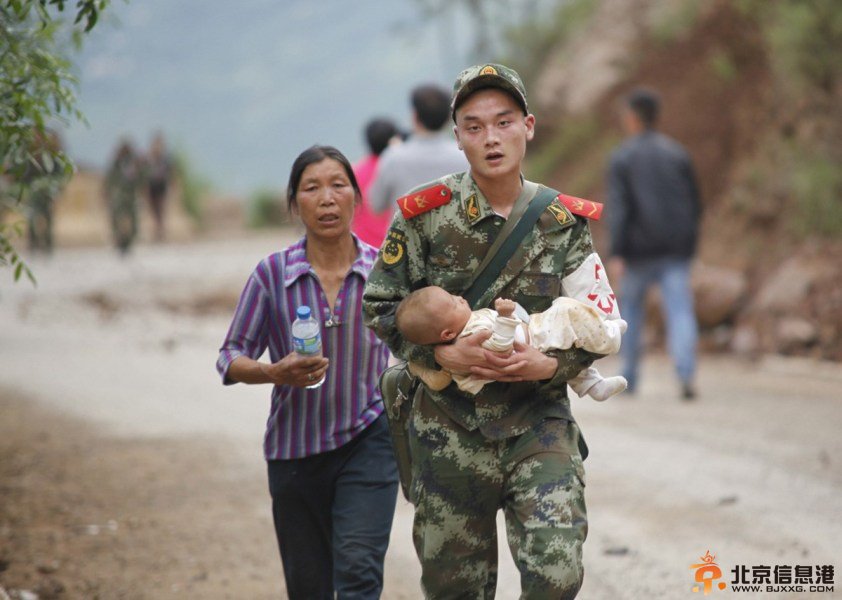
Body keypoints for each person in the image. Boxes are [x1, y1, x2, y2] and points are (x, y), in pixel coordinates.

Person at [363, 63, 616, 598]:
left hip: (537, 423)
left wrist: (551, 365)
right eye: (474, 126)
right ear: (457, 137)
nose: (490, 138)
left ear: (528, 126)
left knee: (557, 577)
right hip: (447, 432)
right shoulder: (423, 216)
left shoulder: (563, 222)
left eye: (503, 122)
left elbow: (596, 321)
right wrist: (441, 357)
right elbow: (381, 306)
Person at [216, 145, 398, 599]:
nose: (327, 198)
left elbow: (420, 346)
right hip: (294, 452)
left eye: (339, 185)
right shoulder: (272, 275)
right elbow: (230, 355)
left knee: (358, 571)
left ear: (357, 197)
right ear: (295, 205)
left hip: (369, 441)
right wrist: (273, 372)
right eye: (312, 188)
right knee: (309, 587)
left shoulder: (384, 274)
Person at [606, 87, 702, 400]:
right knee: (680, 311)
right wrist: (689, 244)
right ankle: (686, 374)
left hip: (637, 253)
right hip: (675, 250)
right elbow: (695, 204)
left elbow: (620, 208)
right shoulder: (677, 153)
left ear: (632, 118)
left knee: (631, 312)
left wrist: (617, 250)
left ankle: (630, 377)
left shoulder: (622, 157)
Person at [396, 285, 627, 401]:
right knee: (567, 310)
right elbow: (500, 347)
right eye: (453, 303)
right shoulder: (473, 332)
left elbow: (437, 381)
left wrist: (421, 365)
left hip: (533, 343)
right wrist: (506, 317)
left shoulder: (464, 332)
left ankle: (592, 386)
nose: (459, 298)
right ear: (446, 334)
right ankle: (610, 337)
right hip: (534, 337)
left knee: (567, 346)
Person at [367, 83, 468, 217]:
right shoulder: (465, 155)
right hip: (456, 236)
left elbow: (376, 205)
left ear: (415, 116)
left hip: (407, 237)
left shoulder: (393, 158)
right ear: (448, 118)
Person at [350, 117, 401, 247]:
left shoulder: (355, 172)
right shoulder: (400, 169)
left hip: (363, 246)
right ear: (393, 140)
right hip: (395, 246)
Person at [104, 139, 143, 255]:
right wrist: (107, 192)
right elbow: (110, 178)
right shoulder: (117, 163)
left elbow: (141, 178)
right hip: (120, 195)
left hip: (132, 195)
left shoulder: (135, 163)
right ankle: (119, 239)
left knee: (134, 221)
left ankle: (128, 241)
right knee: (116, 218)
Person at [145, 132, 173, 242]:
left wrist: (172, 185)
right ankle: (157, 231)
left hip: (161, 187)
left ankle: (161, 232)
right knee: (154, 210)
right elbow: (145, 174)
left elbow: (171, 172)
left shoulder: (165, 159)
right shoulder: (149, 159)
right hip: (152, 188)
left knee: (160, 210)